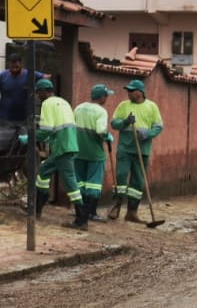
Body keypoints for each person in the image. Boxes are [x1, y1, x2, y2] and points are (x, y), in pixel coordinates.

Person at [33, 79, 87, 229]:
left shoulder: (47, 104)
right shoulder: (63, 102)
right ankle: (36, 210)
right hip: (66, 145)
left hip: (63, 147)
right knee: (43, 172)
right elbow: (61, 126)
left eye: (39, 92)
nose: (38, 95)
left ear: (45, 91)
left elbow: (46, 129)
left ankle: (82, 219)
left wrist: (31, 138)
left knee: (70, 181)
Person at [109, 78, 164, 223]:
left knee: (138, 181)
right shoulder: (123, 105)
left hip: (142, 149)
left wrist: (147, 134)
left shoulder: (152, 107)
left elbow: (158, 126)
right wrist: (125, 122)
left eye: (131, 91)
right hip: (125, 148)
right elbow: (114, 123)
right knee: (121, 176)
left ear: (140, 92)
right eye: (128, 90)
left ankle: (132, 212)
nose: (128, 93)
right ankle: (116, 207)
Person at [72, 84, 114, 222]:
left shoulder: (79, 108)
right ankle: (92, 212)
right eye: (106, 96)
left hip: (78, 151)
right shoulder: (100, 111)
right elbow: (101, 130)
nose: (106, 98)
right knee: (94, 184)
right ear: (101, 97)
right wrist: (107, 136)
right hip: (95, 153)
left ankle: (80, 210)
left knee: (80, 182)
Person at [0, 53, 45, 125]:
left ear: (21, 64)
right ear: (8, 65)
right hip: (5, 119)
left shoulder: (29, 74)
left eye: (16, 67)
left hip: (25, 120)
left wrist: (40, 91)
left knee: (24, 136)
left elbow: (46, 77)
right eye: (12, 67)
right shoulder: (2, 76)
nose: (14, 69)